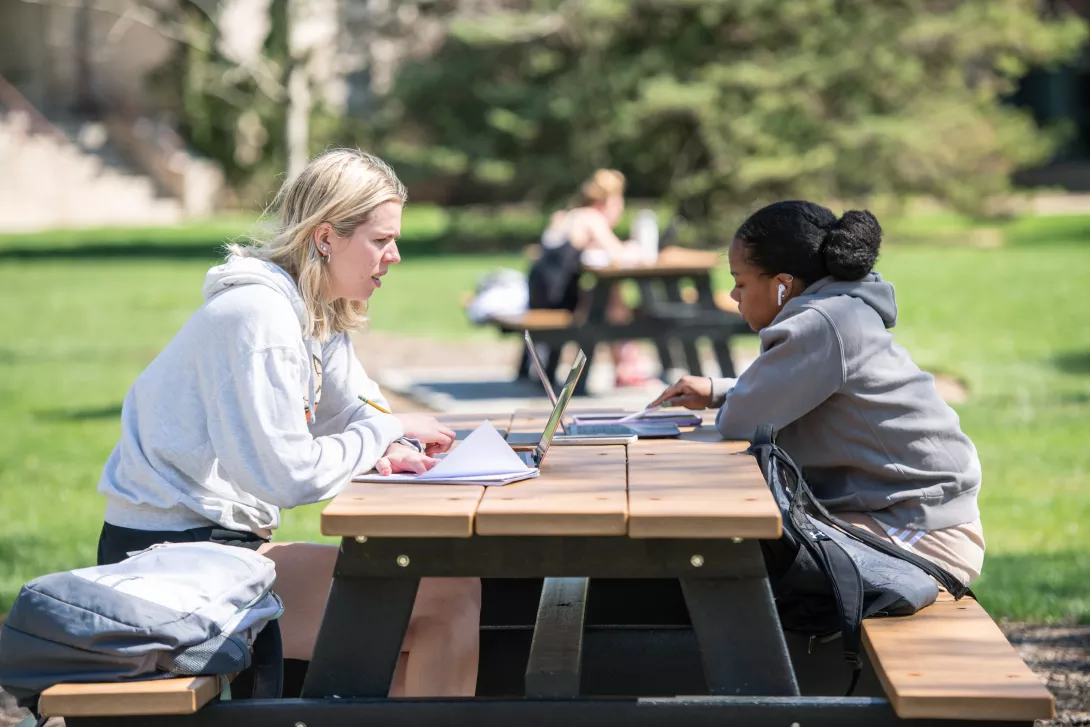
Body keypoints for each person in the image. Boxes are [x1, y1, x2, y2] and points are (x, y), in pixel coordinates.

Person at [94, 148, 481, 697]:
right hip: (169, 563)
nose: (394, 256)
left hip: (213, 551)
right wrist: (380, 436)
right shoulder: (260, 318)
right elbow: (287, 476)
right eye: (380, 240)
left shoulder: (313, 310)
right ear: (325, 237)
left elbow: (358, 409)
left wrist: (382, 439)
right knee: (450, 598)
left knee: (423, 622)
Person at [649, 201, 984, 586]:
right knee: (739, 559)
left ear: (782, 285)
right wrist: (721, 391)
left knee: (740, 566)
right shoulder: (834, 311)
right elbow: (782, 395)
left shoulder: (822, 323)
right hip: (898, 512)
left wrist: (730, 399)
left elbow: (741, 421)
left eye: (741, 283)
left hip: (924, 531)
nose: (733, 296)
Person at [528, 169, 651, 386]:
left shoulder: (565, 215)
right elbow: (619, 255)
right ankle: (625, 364)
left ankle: (624, 363)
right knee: (610, 300)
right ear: (609, 200)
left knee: (608, 294)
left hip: (539, 294)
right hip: (557, 298)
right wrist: (636, 248)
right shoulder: (590, 217)